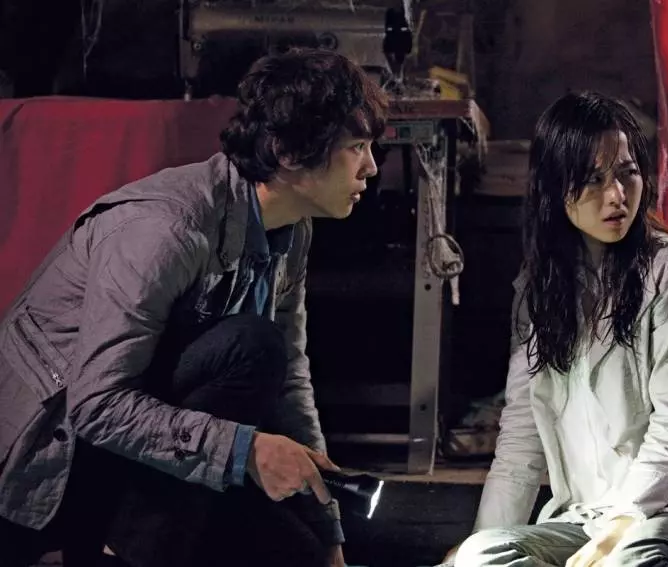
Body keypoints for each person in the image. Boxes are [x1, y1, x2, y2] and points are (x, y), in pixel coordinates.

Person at [0, 48, 388, 567]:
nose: (371, 167)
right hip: (50, 464)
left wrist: (329, 534)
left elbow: (290, 383)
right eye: (356, 147)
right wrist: (245, 451)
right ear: (289, 151)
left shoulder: (292, 229)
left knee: (302, 555)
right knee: (251, 347)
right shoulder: (164, 229)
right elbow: (95, 405)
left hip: (160, 455)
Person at [445, 92, 668, 567]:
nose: (616, 195)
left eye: (627, 172)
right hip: (591, 515)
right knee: (482, 555)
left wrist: (618, 530)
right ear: (554, 188)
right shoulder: (539, 288)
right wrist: (476, 541)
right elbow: (521, 439)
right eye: (593, 179)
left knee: (629, 559)